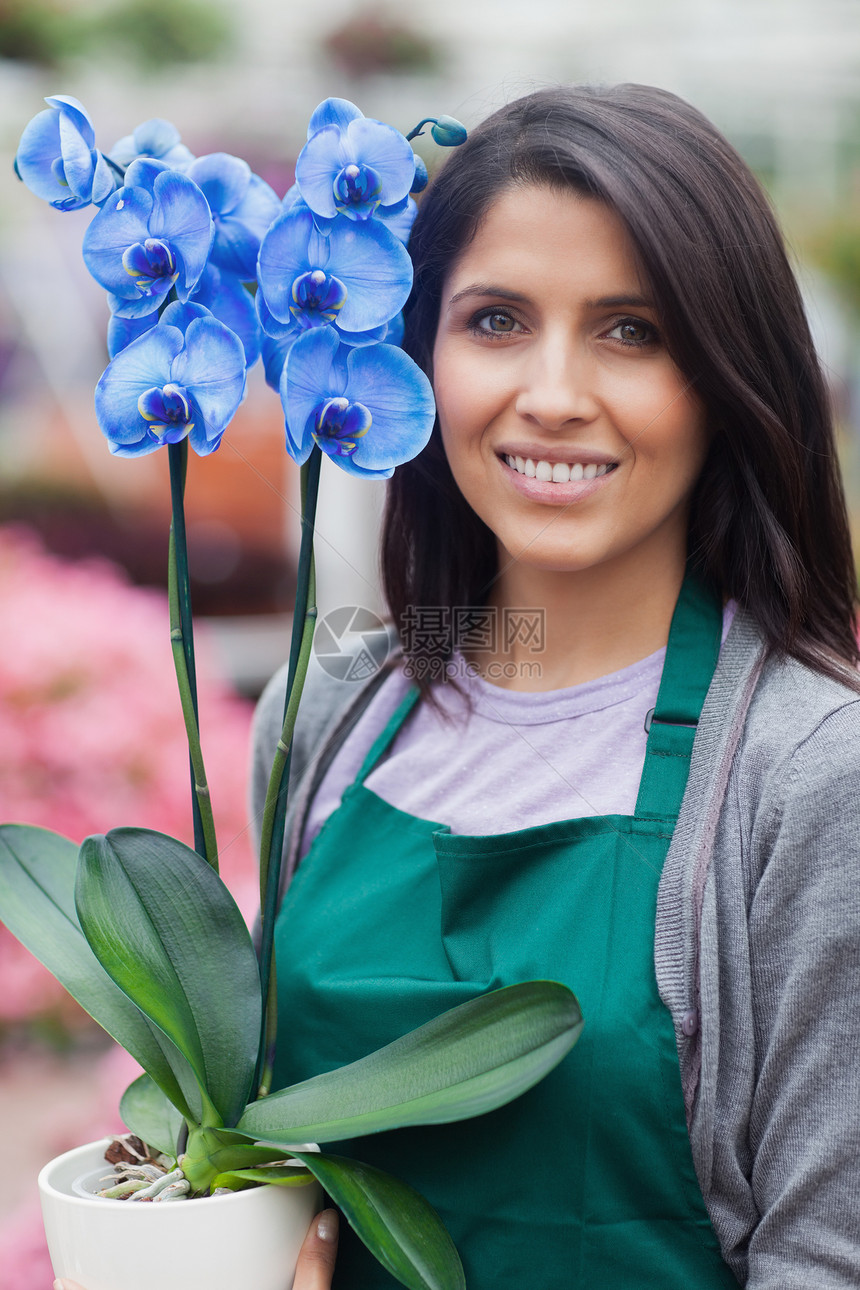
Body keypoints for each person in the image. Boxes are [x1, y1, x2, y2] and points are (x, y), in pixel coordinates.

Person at [62, 81, 860, 1288]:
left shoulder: (809, 772)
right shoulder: (326, 712)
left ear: (725, 375)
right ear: (413, 349)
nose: (550, 392)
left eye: (629, 330)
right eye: (494, 321)